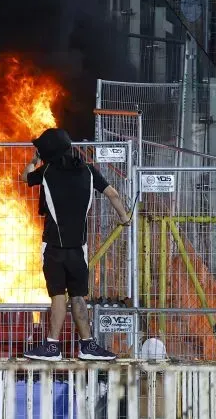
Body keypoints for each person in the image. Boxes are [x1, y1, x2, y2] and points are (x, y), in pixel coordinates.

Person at [20, 128, 131, 362]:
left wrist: (33, 162)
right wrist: (124, 217)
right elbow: (112, 194)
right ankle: (87, 345)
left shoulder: (46, 171)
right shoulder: (89, 171)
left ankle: (52, 347)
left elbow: (25, 177)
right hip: (78, 249)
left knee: (58, 295)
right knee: (78, 296)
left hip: (52, 247)